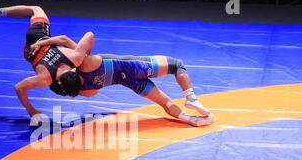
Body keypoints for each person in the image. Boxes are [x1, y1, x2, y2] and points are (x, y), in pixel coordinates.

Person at [31, 36, 214, 127]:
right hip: (135, 67)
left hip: (132, 83)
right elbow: (88, 35)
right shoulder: (83, 62)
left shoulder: (85, 90)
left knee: (164, 102)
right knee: (176, 65)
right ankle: (190, 97)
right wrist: (73, 53)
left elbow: (92, 90)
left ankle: (192, 121)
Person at [0, 2, 91, 124]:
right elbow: (19, 87)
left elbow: (65, 39)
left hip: (38, 37)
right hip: (28, 53)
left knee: (35, 9)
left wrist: (84, 54)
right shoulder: (45, 79)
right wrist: (32, 112)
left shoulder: (75, 59)